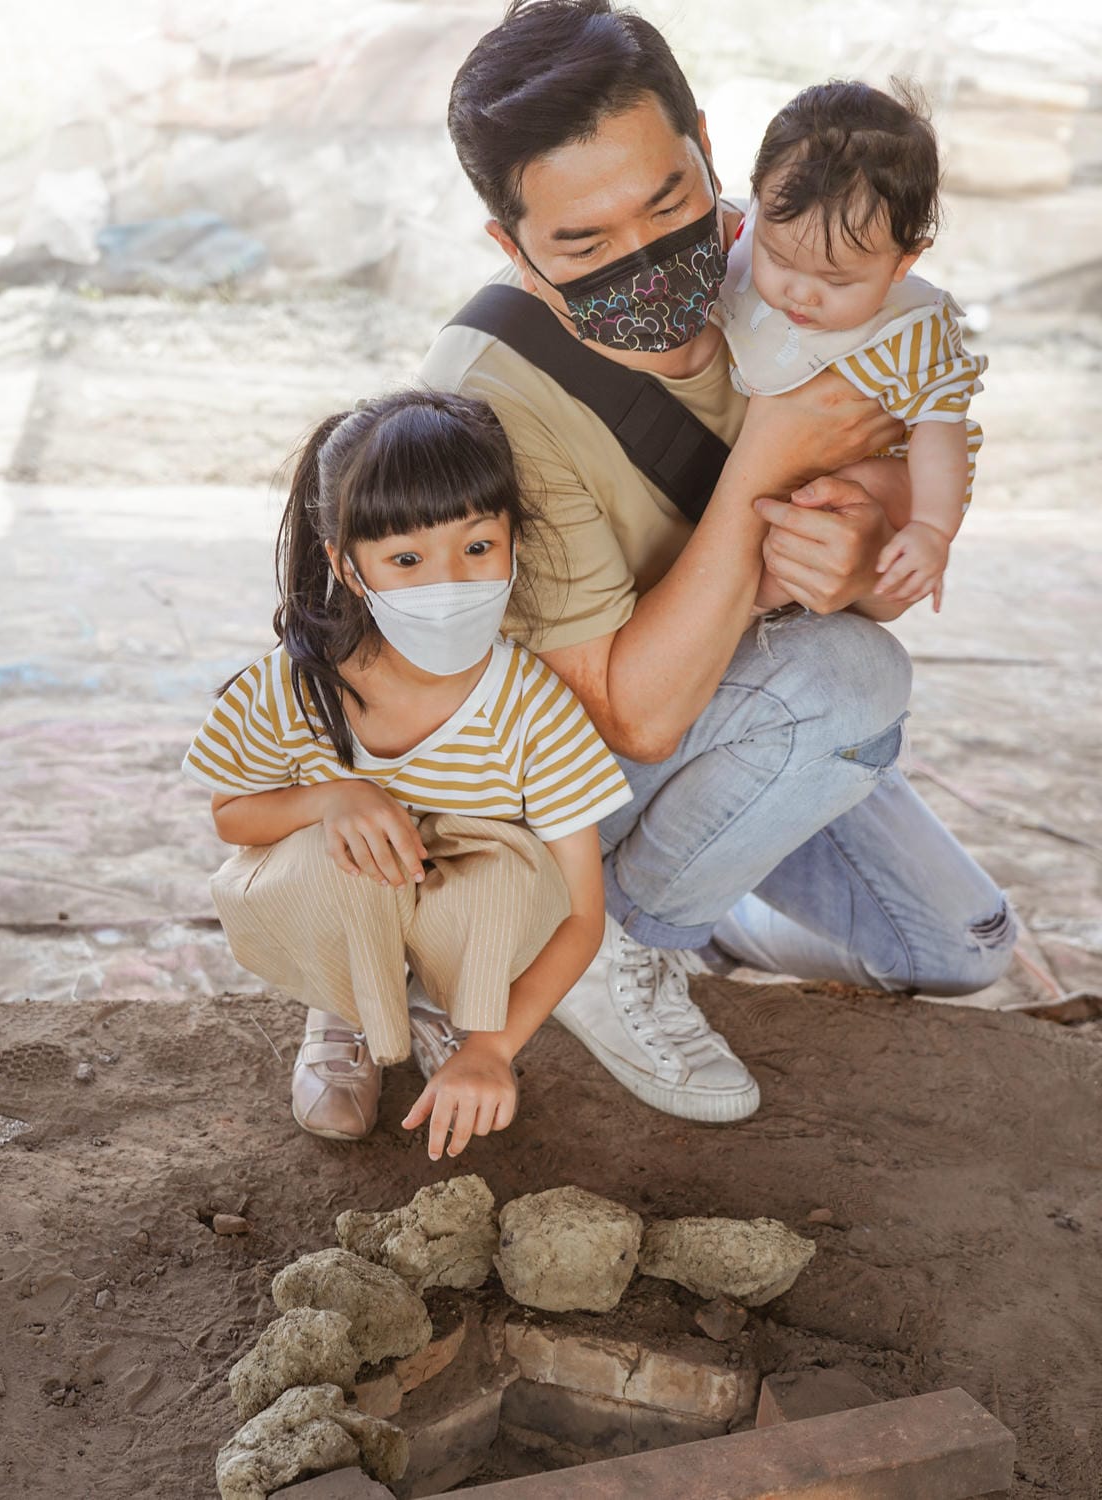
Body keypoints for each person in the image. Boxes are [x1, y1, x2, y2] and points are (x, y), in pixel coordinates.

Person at [420, 0, 1016, 1120]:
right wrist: (769, 464)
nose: (647, 256)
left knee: (962, 944)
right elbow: (632, 716)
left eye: (669, 203)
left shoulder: (791, 262)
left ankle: (708, 895)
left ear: (705, 145)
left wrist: (863, 539)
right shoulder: (488, 394)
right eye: (584, 244)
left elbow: (901, 490)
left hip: (728, 713)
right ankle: (602, 944)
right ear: (511, 245)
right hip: (552, 786)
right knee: (849, 680)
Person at [182, 389, 637, 1161]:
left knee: (516, 876)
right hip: (345, 900)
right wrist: (335, 797)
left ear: (514, 540)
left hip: (455, 920)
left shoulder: (534, 706)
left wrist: (492, 1048)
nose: (449, 582)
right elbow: (233, 815)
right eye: (405, 560)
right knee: (337, 855)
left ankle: (440, 1005)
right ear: (346, 567)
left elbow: (581, 917)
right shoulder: (296, 685)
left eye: (477, 547)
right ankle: (347, 1006)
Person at [716, 80, 985, 613]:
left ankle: (752, 607)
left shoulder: (909, 331)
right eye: (779, 259)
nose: (800, 293)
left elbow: (940, 431)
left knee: (825, 506)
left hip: (892, 477)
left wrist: (932, 528)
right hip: (779, 458)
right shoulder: (735, 235)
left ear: (903, 261)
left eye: (836, 281)